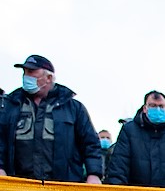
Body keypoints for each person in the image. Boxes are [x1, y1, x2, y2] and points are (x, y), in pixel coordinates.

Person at [0, 55, 102, 184]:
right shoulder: (10, 105)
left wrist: (94, 174)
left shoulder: (73, 108)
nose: (26, 77)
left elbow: (90, 143)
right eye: (24, 72)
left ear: (48, 78)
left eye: (31, 72)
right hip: (18, 187)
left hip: (64, 187)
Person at [105, 91, 165, 189]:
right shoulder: (129, 131)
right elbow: (119, 166)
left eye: (161, 106)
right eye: (153, 106)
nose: (158, 109)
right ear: (145, 108)